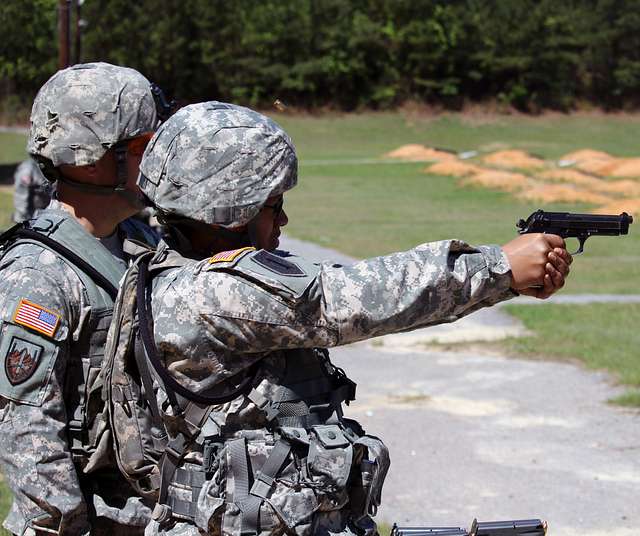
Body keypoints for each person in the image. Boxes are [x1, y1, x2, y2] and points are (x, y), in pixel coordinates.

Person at [108, 101, 571, 536]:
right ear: (232, 209)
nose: (284, 218)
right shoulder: (215, 292)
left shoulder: (169, 270)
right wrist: (499, 268)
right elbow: (351, 297)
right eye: (273, 204)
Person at [0, 62, 164, 535]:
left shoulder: (141, 242)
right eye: (142, 148)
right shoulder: (37, 276)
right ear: (92, 158)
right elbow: (30, 434)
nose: (155, 163)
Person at [12, 157, 53, 223]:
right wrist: (22, 215)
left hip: (47, 207)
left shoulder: (50, 164)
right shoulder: (28, 169)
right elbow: (21, 193)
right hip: (31, 210)